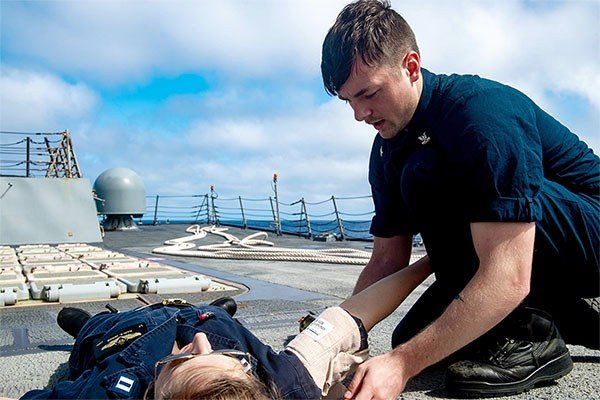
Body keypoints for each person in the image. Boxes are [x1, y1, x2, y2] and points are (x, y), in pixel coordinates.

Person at [321, 0, 599, 399]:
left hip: (589, 232)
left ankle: (534, 334)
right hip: (522, 250)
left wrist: (400, 366)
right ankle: (567, 312)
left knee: (432, 173)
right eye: (349, 101)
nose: (359, 114)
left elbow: (507, 274)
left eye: (368, 93)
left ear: (411, 66)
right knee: (412, 337)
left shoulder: (480, 115)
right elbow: (386, 259)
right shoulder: (387, 148)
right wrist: (331, 335)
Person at [19, 259, 432, 400]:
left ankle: (84, 323)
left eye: (178, 363)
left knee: (90, 326)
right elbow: (352, 316)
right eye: (231, 360)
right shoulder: (280, 383)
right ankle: (220, 314)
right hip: (205, 314)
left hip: (122, 331)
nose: (198, 345)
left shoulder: (106, 391)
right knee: (216, 321)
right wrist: (430, 261)